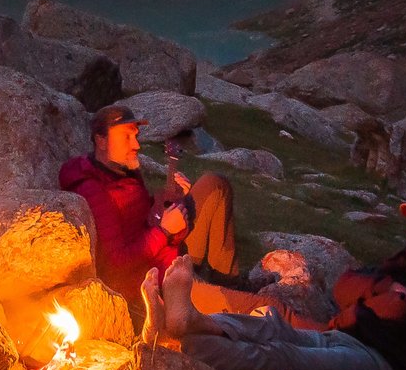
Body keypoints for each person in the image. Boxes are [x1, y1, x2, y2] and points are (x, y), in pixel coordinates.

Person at [143, 187, 406, 370]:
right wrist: (389, 289)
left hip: (379, 361)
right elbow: (344, 286)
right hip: (347, 335)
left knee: (281, 356)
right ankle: (189, 322)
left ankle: (184, 347)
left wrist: (392, 298)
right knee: (271, 322)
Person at [59, 104, 274, 321]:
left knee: (215, 184)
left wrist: (171, 198)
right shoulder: (94, 190)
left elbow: (141, 212)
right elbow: (116, 263)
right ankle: (303, 334)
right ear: (101, 140)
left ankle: (227, 280)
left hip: (169, 247)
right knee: (263, 308)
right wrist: (163, 231)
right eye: (126, 137)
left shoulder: (121, 168)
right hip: (156, 278)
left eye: (136, 135)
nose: (136, 145)